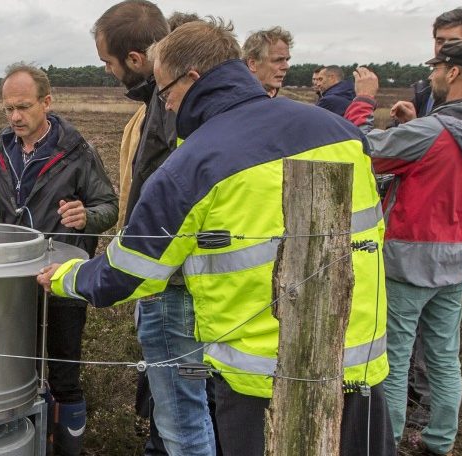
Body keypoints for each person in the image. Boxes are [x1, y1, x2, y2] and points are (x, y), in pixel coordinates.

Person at [38, 18, 394, 456]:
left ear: (192, 79)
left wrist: (65, 276)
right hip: (360, 369)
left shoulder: (194, 165)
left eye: (165, 94)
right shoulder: (340, 132)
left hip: (263, 384)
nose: (165, 109)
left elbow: (128, 272)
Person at [345, 41, 462, 456]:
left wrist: (363, 103)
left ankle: (390, 441)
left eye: (436, 67)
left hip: (407, 260)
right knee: (444, 357)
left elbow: (361, 151)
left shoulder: (431, 132)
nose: (431, 75)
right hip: (461, 258)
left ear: (452, 73)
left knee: (394, 359)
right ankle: (440, 443)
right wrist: (417, 124)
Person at [92, 2, 214, 455]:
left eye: (108, 61)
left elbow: (166, 207)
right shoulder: (163, 105)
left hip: (170, 285)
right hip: (180, 281)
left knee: (183, 415)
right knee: (187, 403)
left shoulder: (169, 109)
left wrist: (110, 276)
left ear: (137, 60)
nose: (107, 71)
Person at [0, 63, 117, 456]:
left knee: (63, 374)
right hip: (13, 279)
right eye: (9, 108)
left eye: (24, 107)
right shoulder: (1, 146)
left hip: (62, 278)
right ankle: (23, 444)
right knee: (16, 371)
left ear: (47, 102)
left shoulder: (76, 151)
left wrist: (87, 216)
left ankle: (65, 448)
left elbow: (108, 205)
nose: (15, 117)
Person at [242, 27, 293, 97]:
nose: (286, 67)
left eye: (286, 60)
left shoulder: (272, 98)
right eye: (278, 60)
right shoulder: (235, 102)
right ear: (252, 64)